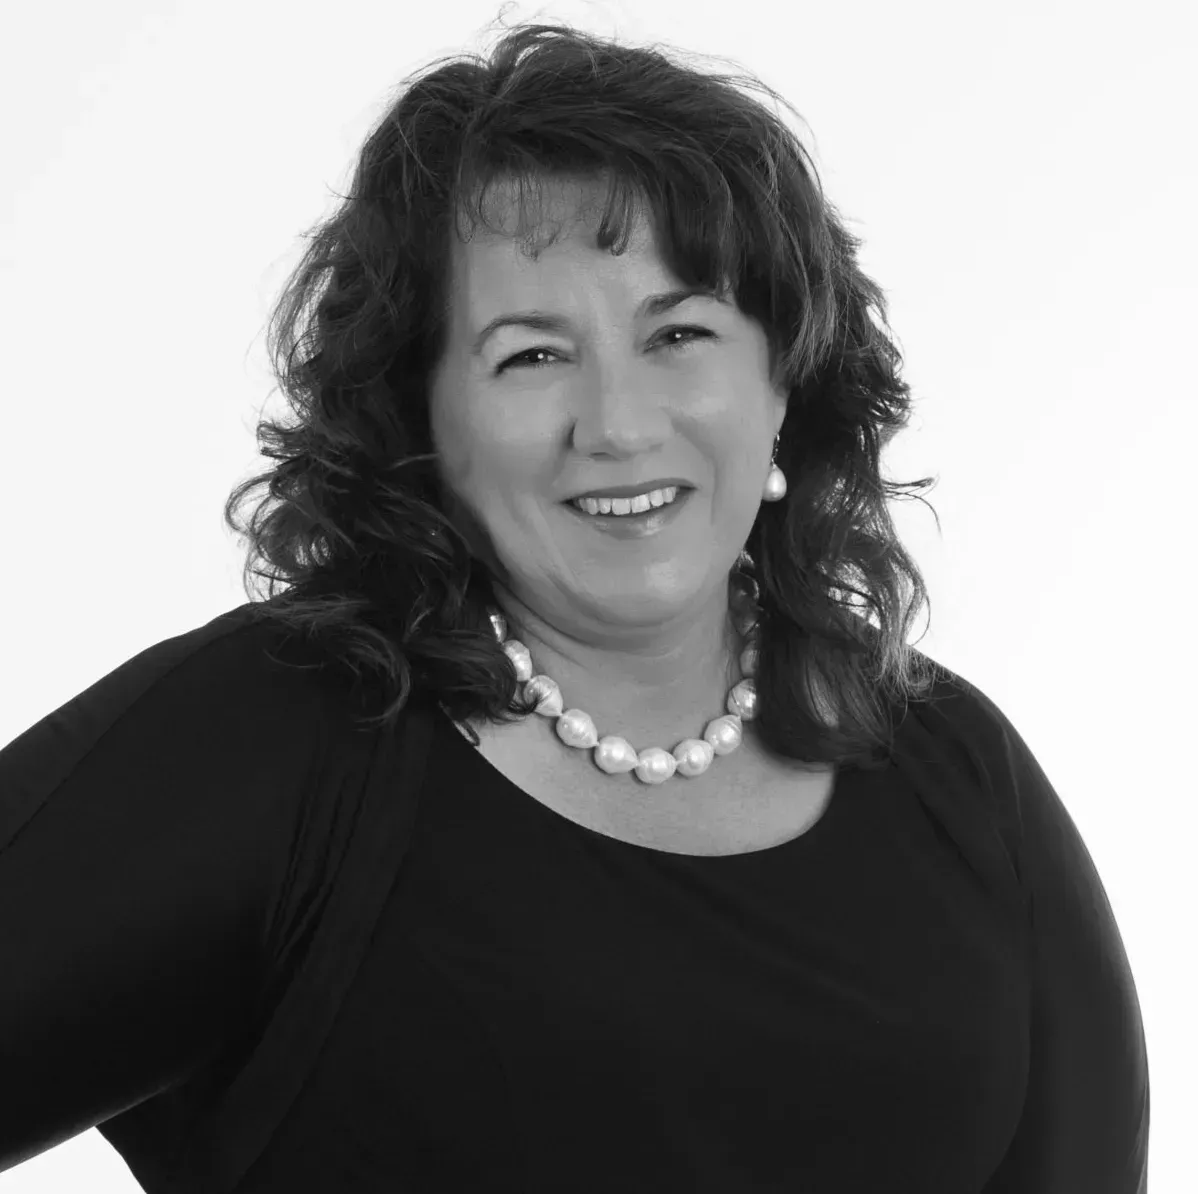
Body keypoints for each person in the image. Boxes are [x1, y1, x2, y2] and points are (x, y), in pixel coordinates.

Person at [0, 20, 1149, 1194]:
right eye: (530, 356)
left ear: (782, 384)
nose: (617, 423)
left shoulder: (957, 776)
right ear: (424, 423)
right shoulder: (272, 739)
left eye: (680, 333)